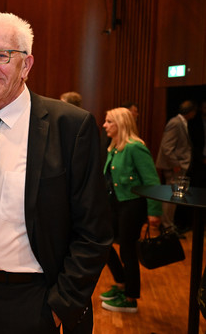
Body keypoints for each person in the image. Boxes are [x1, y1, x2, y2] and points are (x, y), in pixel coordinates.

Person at [0, 12, 112, 333]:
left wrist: (60, 306)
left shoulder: (70, 127)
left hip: (29, 302)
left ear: (26, 65)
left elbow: (94, 231)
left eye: (2, 55)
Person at [99, 107, 162, 313]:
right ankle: (121, 283)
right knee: (104, 245)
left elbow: (152, 181)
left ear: (121, 124)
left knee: (128, 251)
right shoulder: (115, 148)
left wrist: (154, 212)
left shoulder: (135, 147)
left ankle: (130, 298)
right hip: (115, 206)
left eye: (109, 122)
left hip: (132, 206)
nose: (104, 125)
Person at [155, 100, 197, 233]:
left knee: (175, 196)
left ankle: (169, 225)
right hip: (174, 167)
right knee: (171, 196)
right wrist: (176, 165)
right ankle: (167, 227)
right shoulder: (175, 122)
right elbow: (167, 147)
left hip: (178, 166)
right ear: (191, 112)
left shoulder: (181, 122)